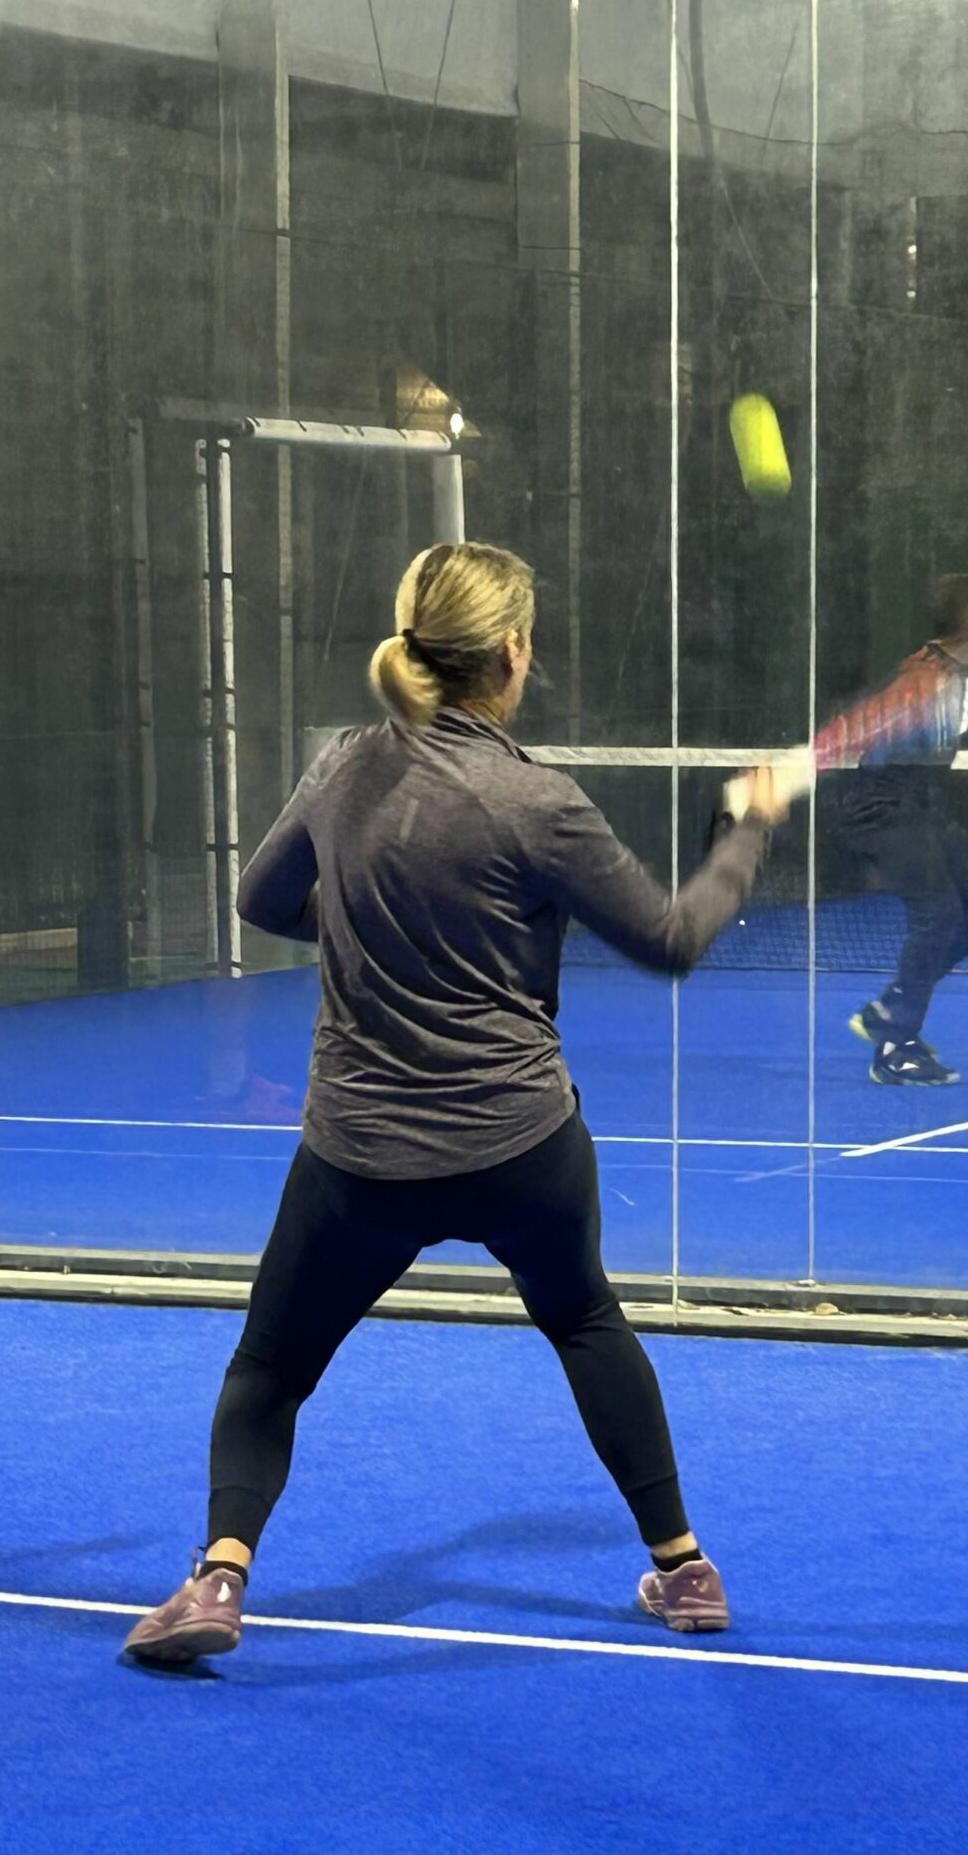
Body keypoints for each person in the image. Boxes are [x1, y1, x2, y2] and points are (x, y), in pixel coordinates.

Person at [125, 541, 791, 1665]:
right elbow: (674, 938)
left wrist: (360, 933)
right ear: (514, 651)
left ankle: (218, 1581)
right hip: (522, 1147)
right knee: (584, 1321)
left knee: (270, 1371)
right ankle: (684, 1568)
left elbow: (261, 899)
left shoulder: (345, 768)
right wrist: (748, 829)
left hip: (359, 1160)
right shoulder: (539, 802)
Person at [828, 572, 968, 1087]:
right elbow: (895, 721)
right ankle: (894, 1043)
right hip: (880, 805)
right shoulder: (927, 671)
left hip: (920, 805)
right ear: (967, 621)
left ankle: (893, 1009)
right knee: (937, 914)